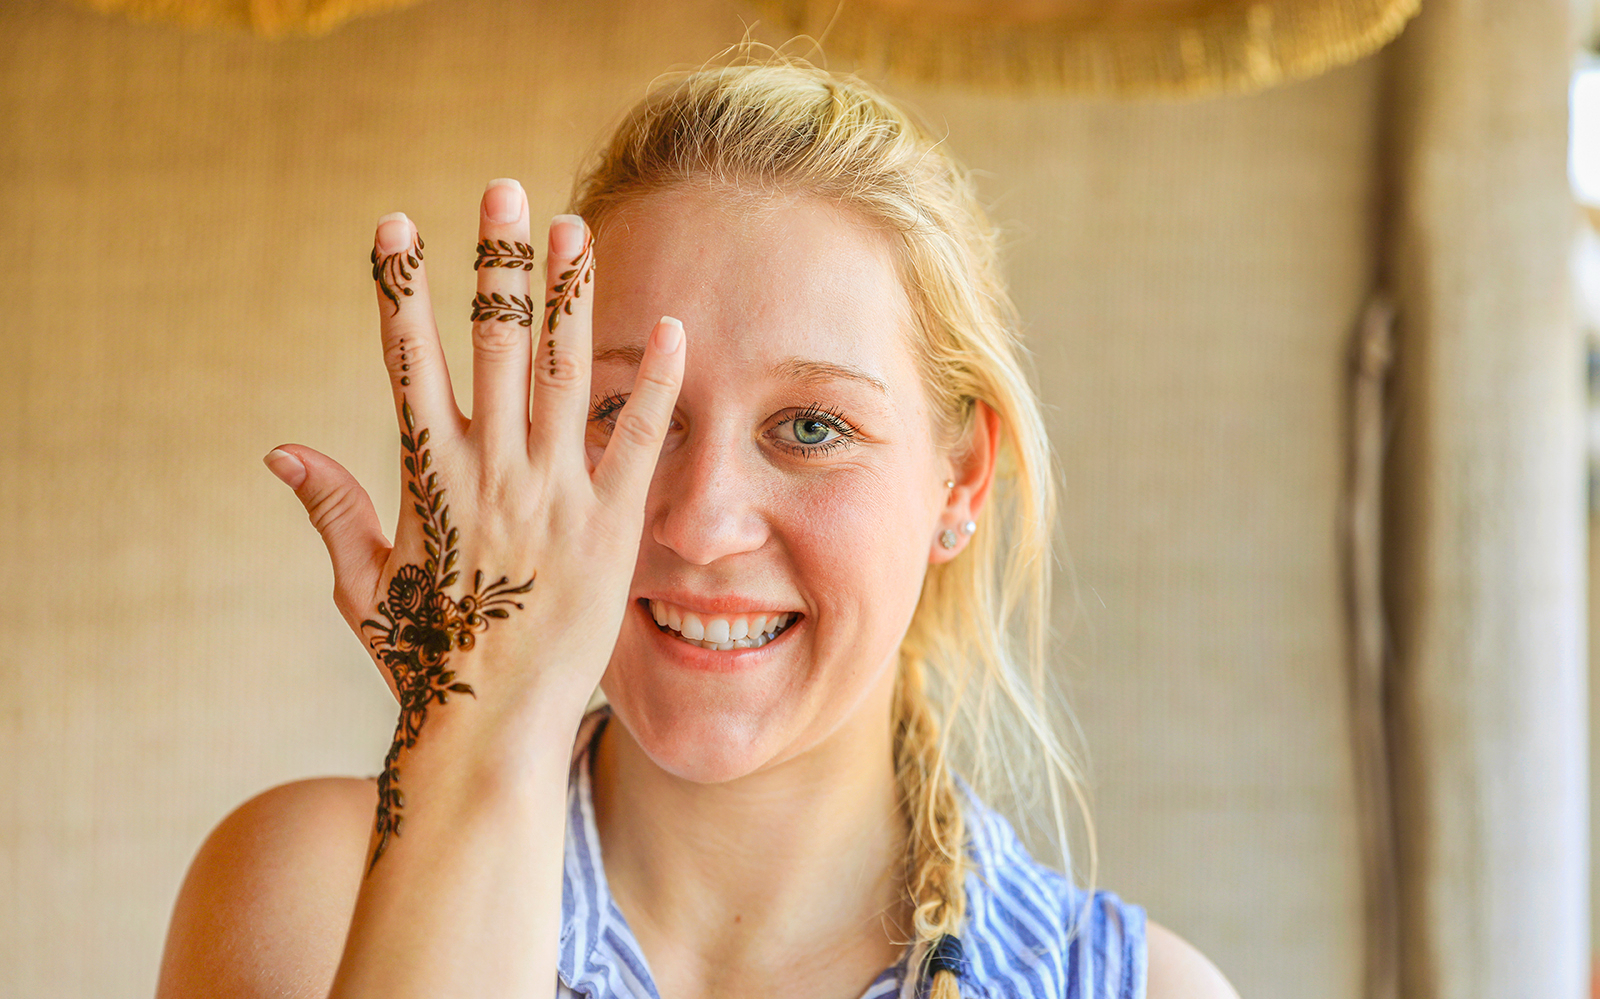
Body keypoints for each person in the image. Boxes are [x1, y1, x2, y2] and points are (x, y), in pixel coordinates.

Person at [156, 57, 1240, 999]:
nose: (700, 521)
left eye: (811, 426)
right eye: (628, 416)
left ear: (960, 482)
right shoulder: (310, 888)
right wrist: (481, 742)